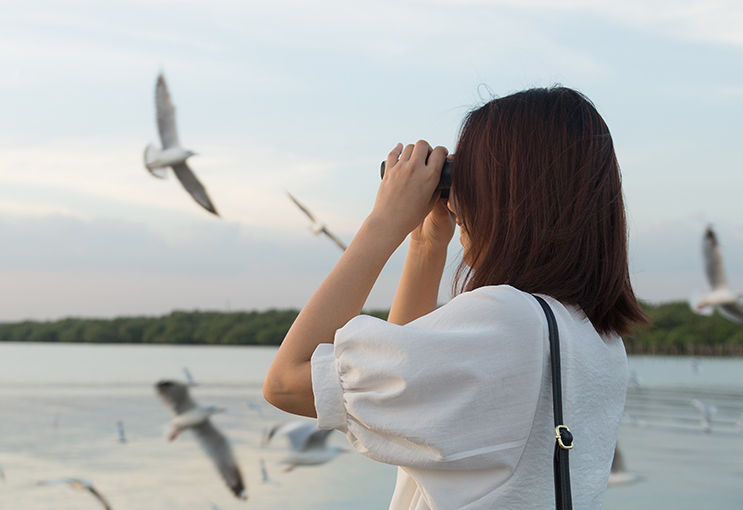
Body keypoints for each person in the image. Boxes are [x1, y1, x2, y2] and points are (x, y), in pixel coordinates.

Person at [263, 87, 647, 510]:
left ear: (506, 193)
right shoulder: (596, 340)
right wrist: (425, 245)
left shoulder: (507, 320)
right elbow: (405, 364)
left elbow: (285, 383)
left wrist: (384, 221)